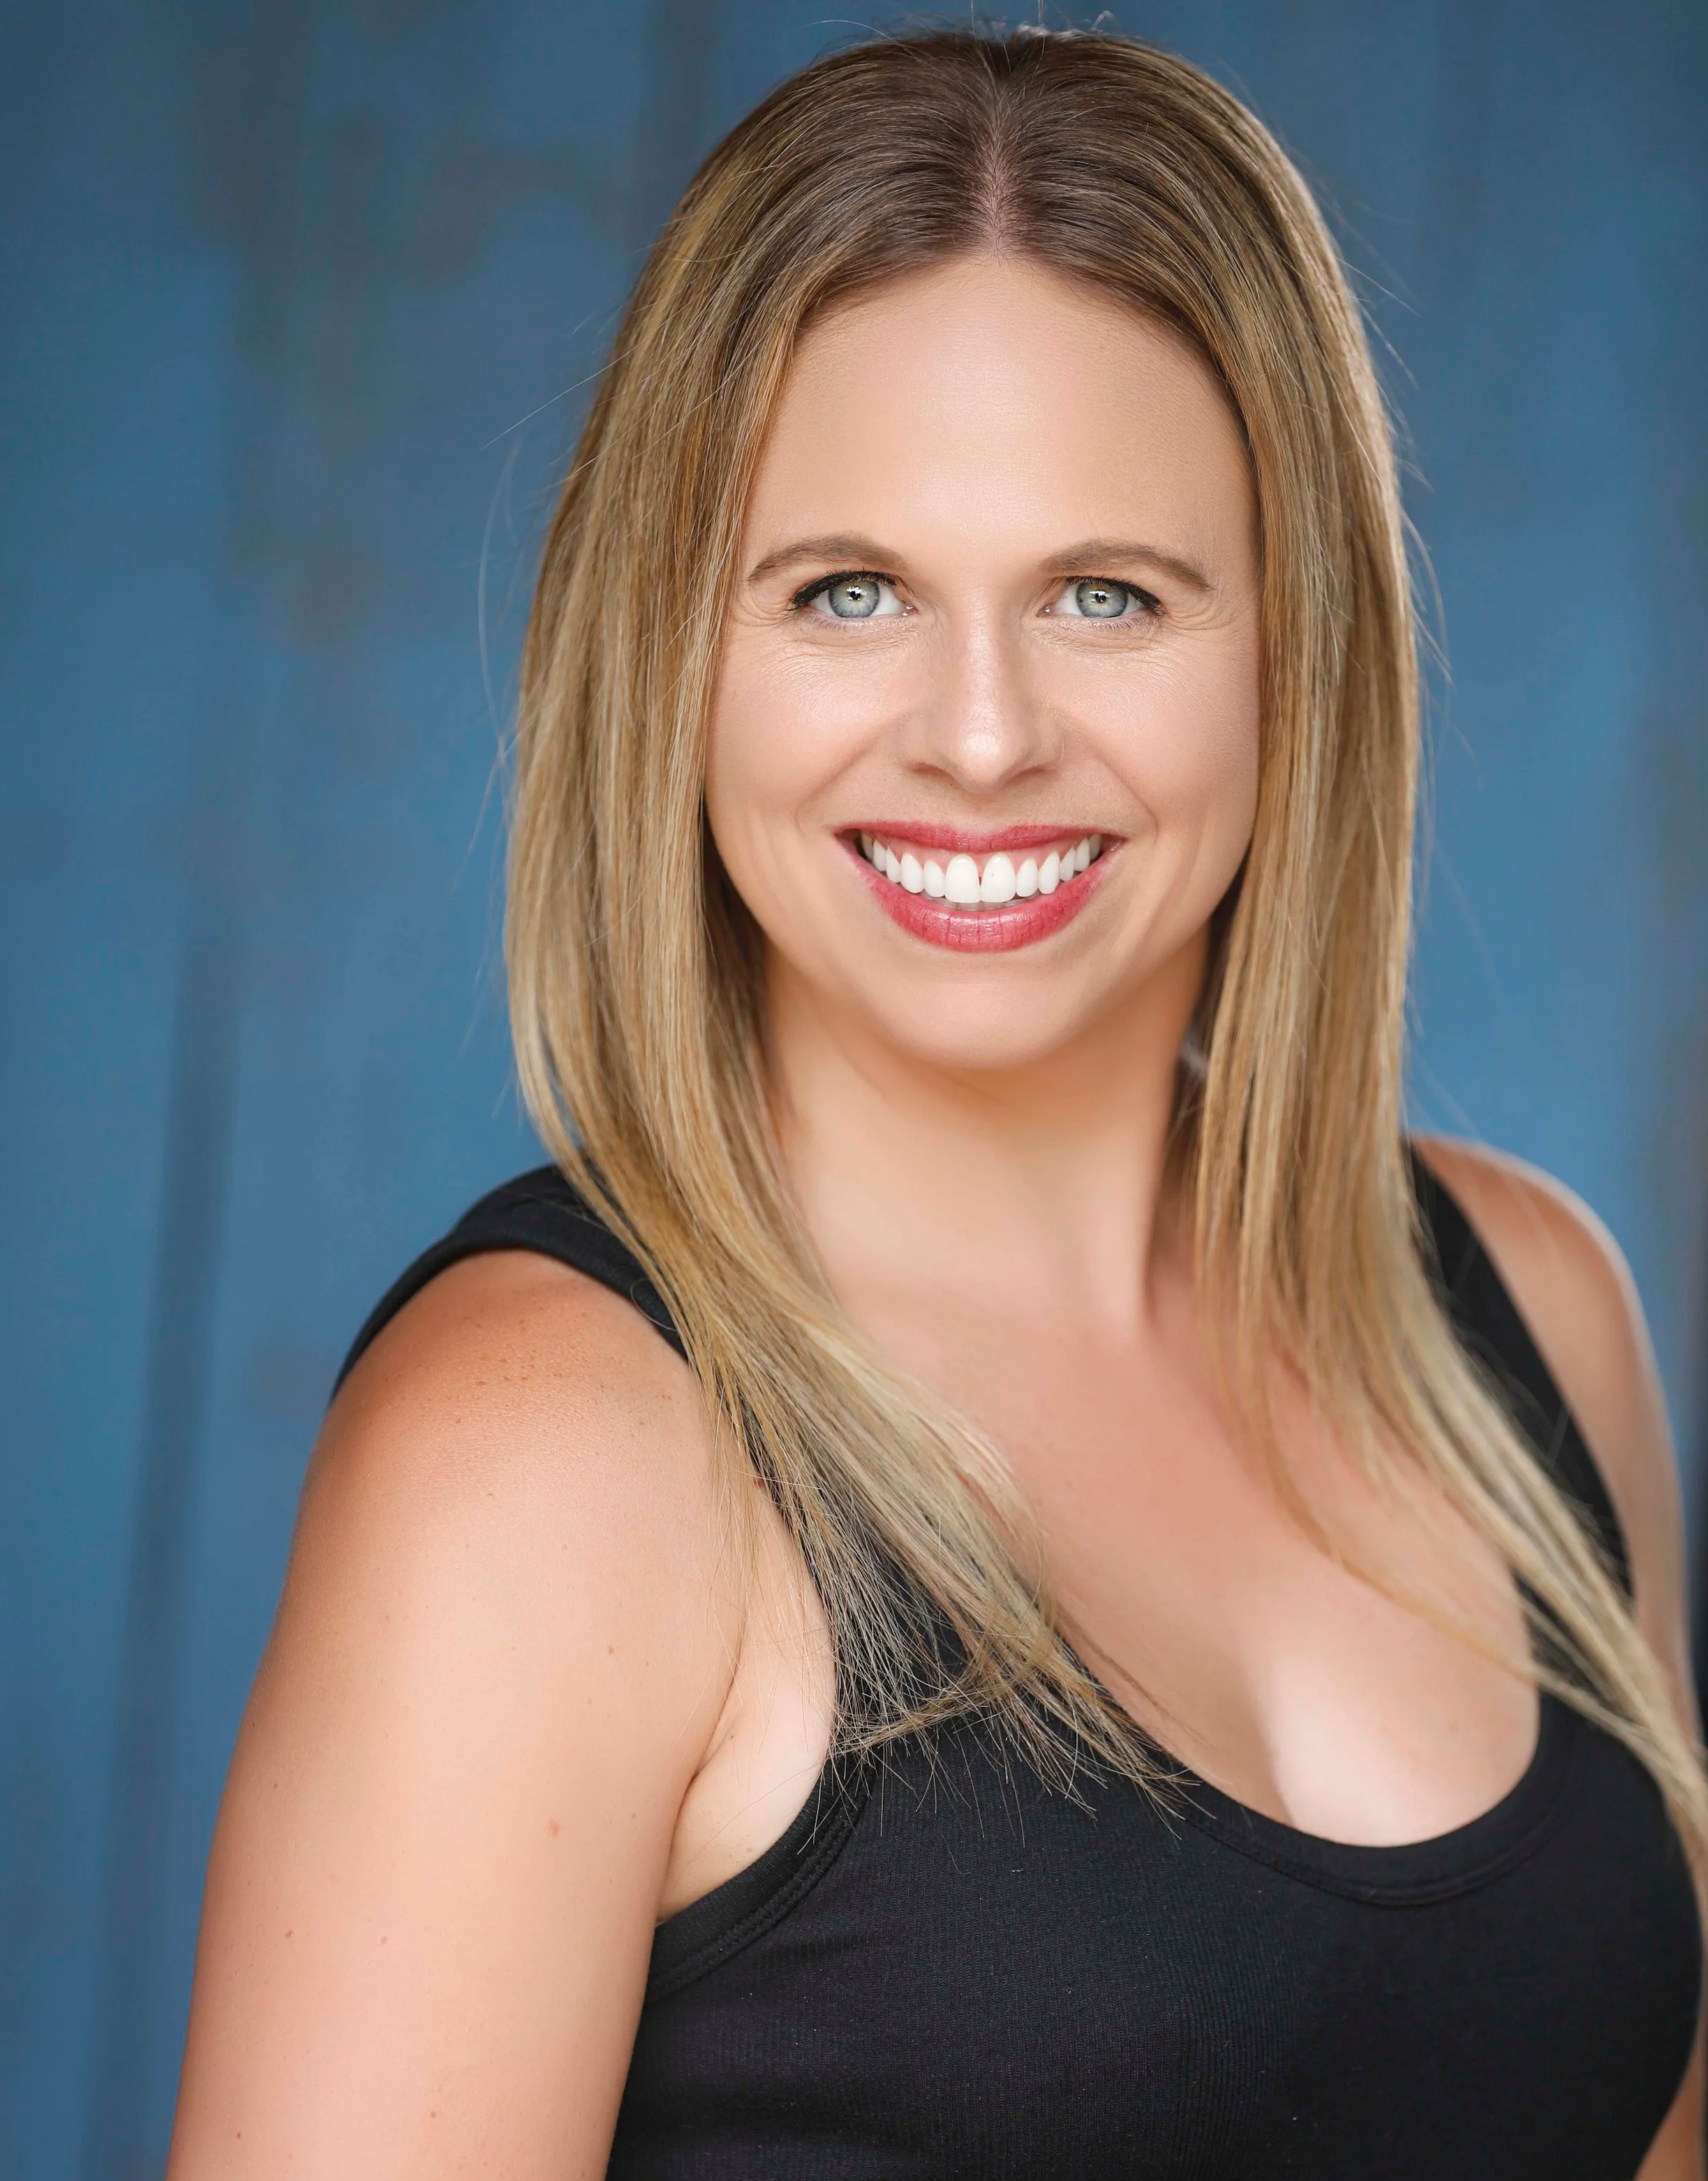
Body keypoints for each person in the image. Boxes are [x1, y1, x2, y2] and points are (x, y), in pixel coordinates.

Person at [166, 28, 1705, 2178]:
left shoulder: (1530, 1316)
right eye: (846, 591)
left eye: (1104, 594)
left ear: (1295, 648)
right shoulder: (547, 1459)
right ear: (675, 658)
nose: (980, 738)